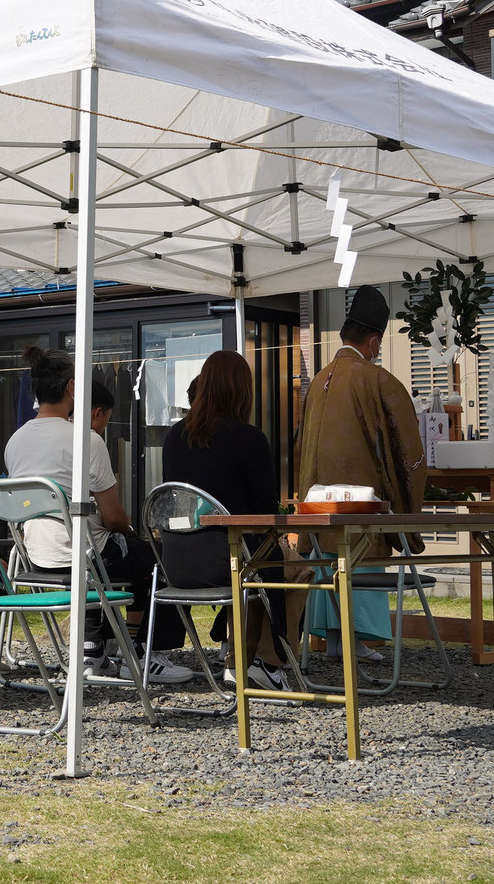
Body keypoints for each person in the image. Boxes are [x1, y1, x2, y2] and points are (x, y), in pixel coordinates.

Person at [2, 348, 192, 686]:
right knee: (155, 560)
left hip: (36, 561)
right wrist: (131, 529)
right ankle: (150, 652)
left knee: (111, 551)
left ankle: (94, 649)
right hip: (85, 561)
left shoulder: (15, 441)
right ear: (73, 388)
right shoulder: (86, 440)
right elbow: (114, 517)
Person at [158, 349, 311, 690]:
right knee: (293, 567)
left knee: (253, 562)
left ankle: (237, 659)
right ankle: (267, 662)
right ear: (242, 390)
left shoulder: (173, 438)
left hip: (176, 561)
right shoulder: (249, 439)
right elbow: (265, 510)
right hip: (230, 560)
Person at [296, 285, 426, 662]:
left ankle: (337, 638)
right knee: (363, 555)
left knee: (330, 561)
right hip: (360, 511)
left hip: (319, 513)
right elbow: (408, 454)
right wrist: (410, 500)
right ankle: (356, 638)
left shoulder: (318, 382)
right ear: (372, 341)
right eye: (379, 345)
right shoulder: (376, 380)